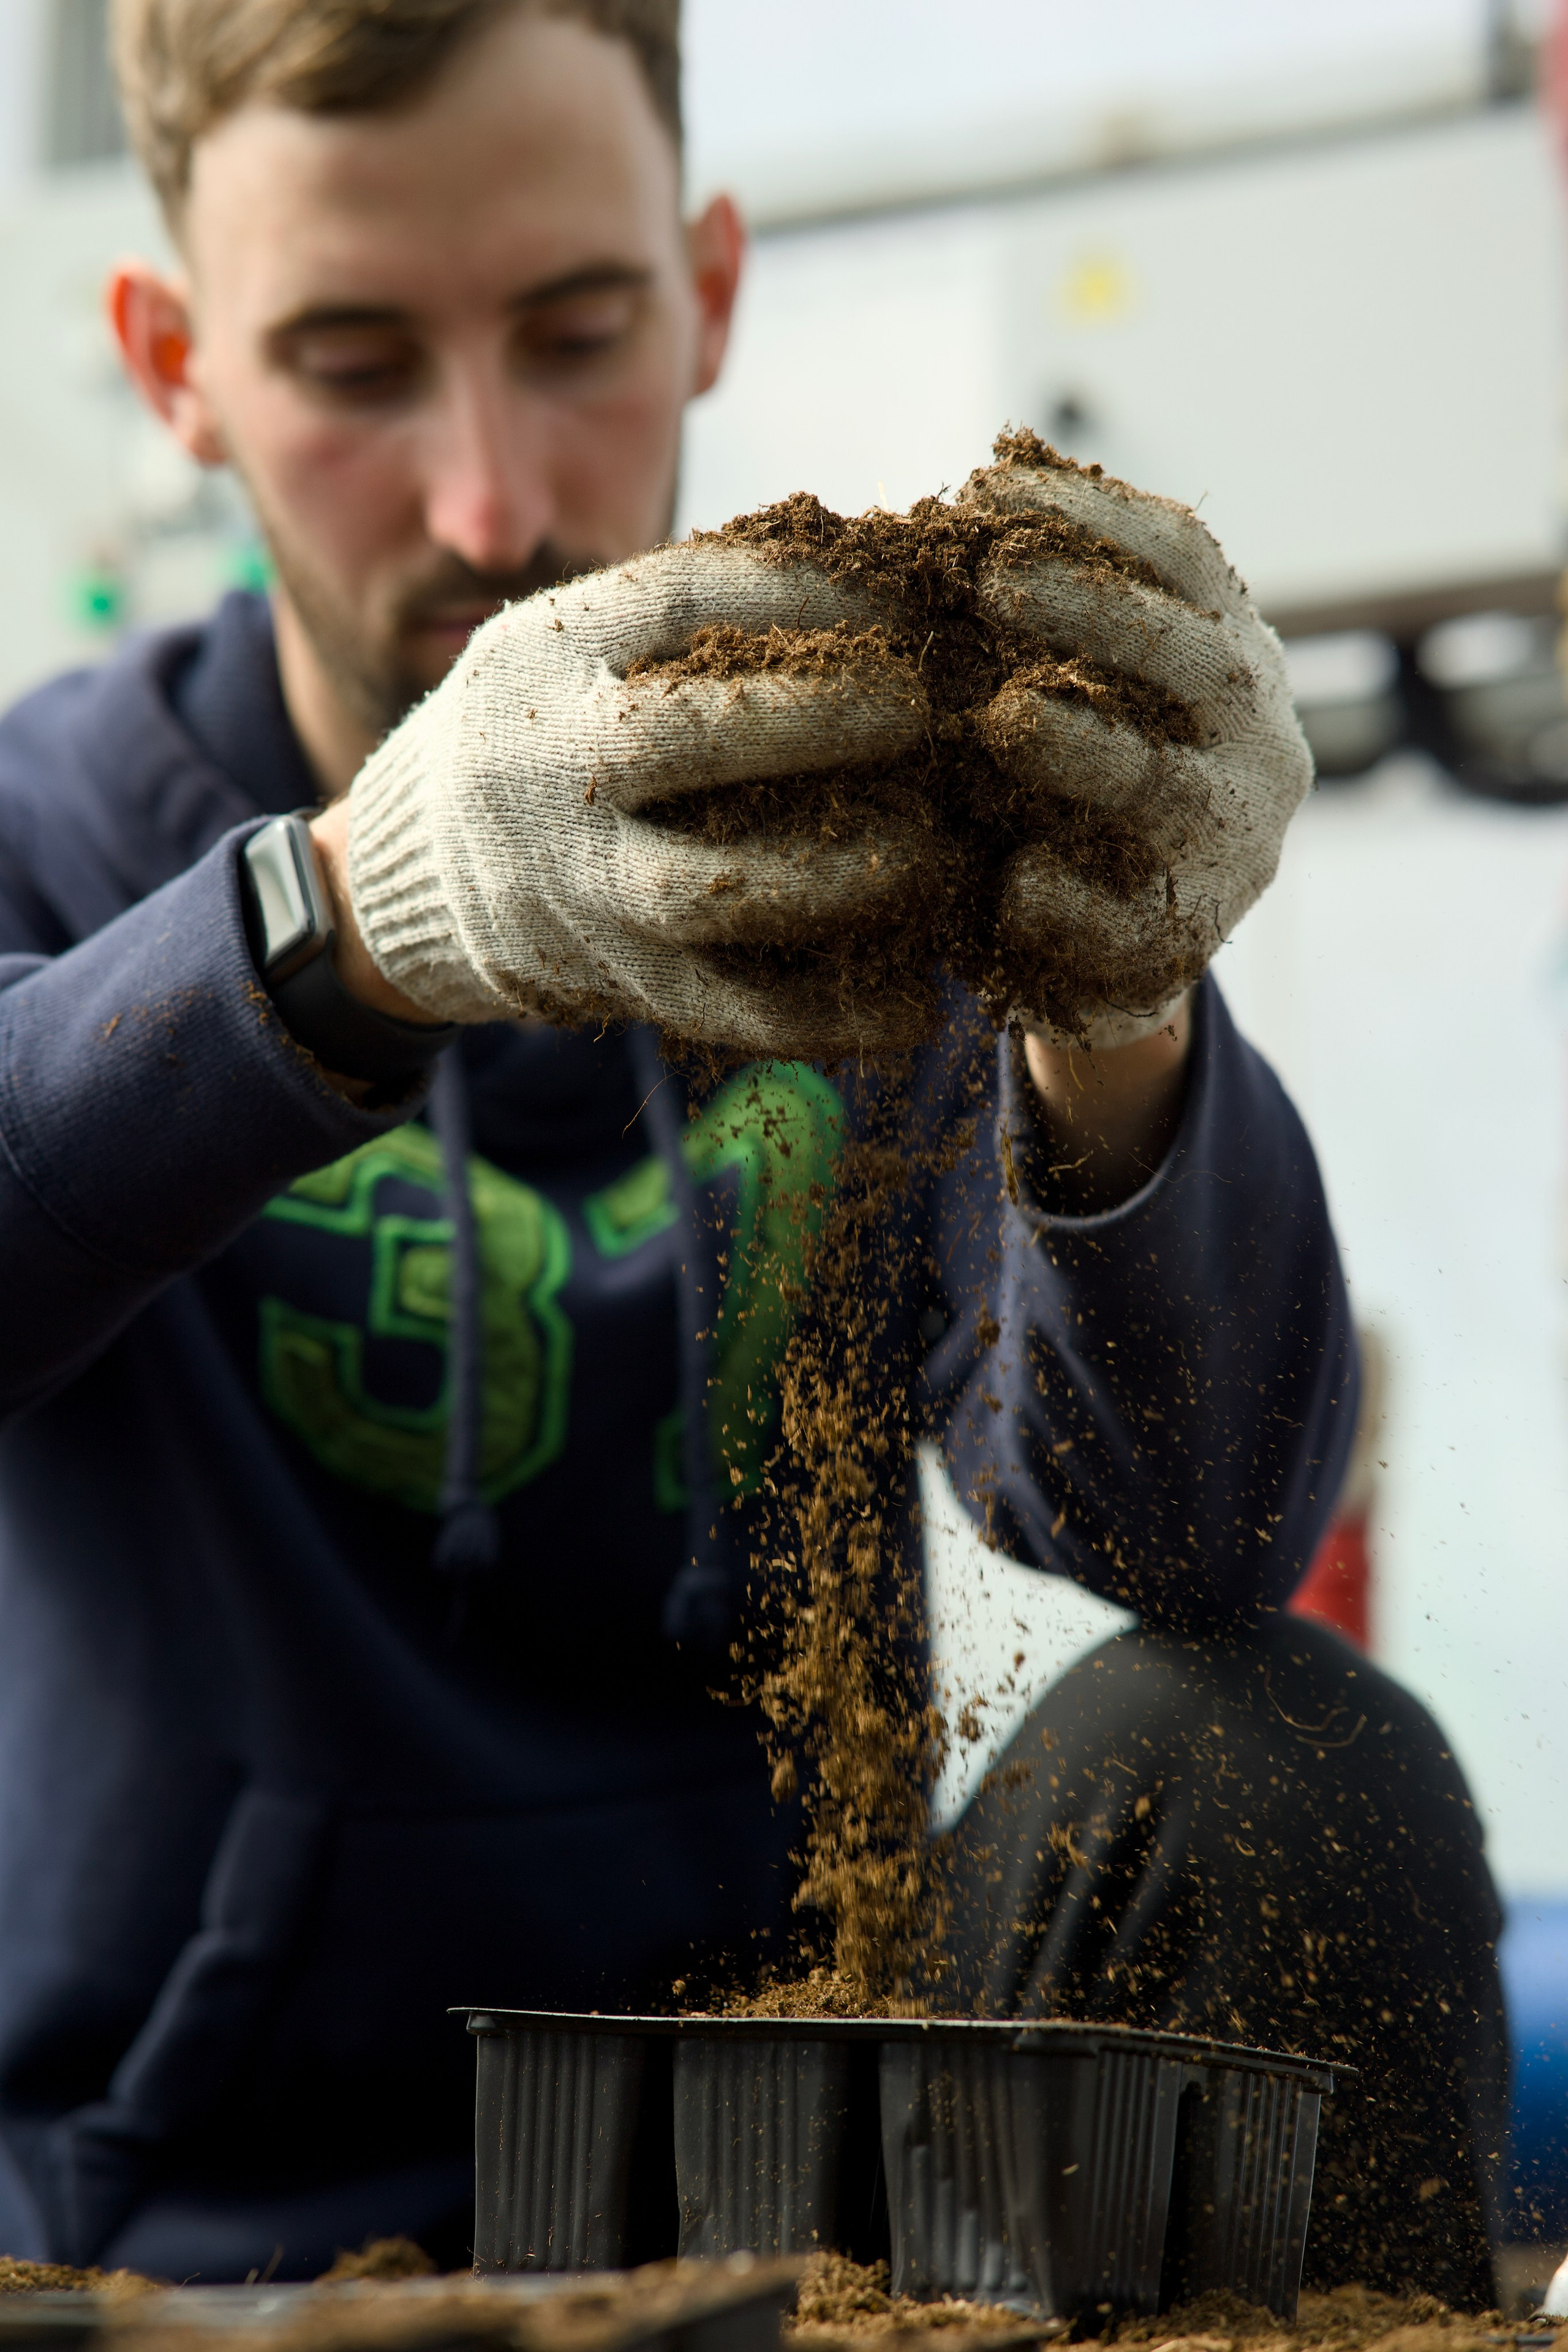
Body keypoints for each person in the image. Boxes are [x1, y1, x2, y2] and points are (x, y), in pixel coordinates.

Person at [0, 0, 1499, 2300]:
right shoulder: (44, 855)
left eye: (579, 331)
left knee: (1292, 1765)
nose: (489, 501)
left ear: (707, 290)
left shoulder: (858, 848)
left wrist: (1120, 1030)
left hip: (804, 2197)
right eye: (352, 363)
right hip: (195, 2252)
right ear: (173, 359)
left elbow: (1198, 1533)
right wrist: (346, 931)